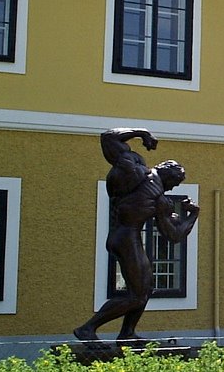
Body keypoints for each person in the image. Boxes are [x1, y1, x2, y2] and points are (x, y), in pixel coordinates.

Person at [74, 128, 199, 342]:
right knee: (138, 295)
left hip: (123, 236)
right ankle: (88, 328)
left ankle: (127, 333)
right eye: (175, 183)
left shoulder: (141, 174)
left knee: (145, 288)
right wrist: (193, 215)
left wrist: (143, 134)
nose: (173, 187)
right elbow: (174, 235)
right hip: (126, 238)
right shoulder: (143, 179)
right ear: (168, 175)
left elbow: (109, 138)